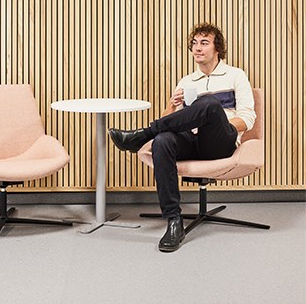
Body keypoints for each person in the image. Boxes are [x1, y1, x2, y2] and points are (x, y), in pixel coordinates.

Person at [108, 23, 256, 253]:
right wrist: (171, 106)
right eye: (194, 43)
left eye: (204, 43)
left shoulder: (236, 75)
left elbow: (248, 118)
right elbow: (171, 123)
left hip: (220, 142)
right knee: (163, 140)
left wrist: (215, 122)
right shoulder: (187, 81)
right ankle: (174, 221)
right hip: (192, 141)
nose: (197, 48)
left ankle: (142, 135)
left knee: (209, 104)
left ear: (217, 48)